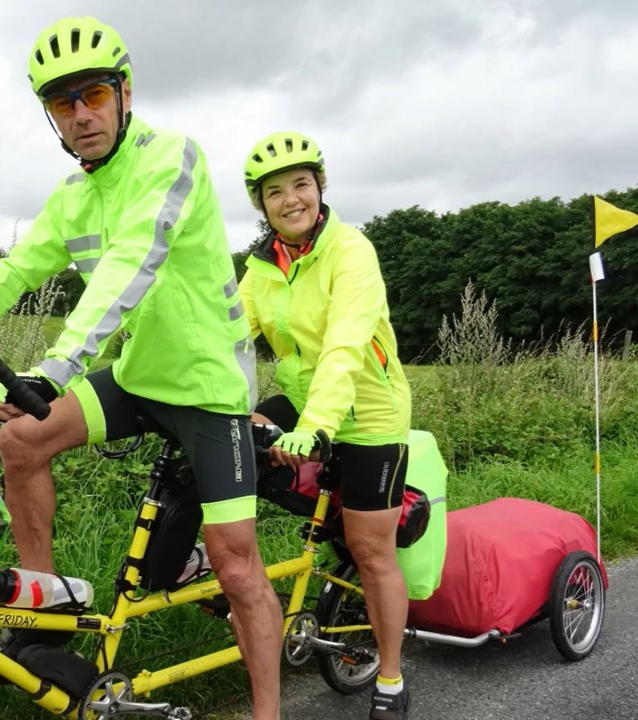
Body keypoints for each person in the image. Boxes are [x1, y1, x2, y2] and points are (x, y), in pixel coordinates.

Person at [0, 17, 283, 719]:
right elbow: (13, 271)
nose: (81, 115)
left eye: (93, 94)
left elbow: (131, 261)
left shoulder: (172, 157)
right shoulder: (73, 195)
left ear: (124, 92)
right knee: (19, 440)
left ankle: (269, 711)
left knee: (235, 563)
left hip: (208, 390)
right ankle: (45, 610)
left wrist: (57, 366)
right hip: (138, 378)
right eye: (62, 103)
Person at [237, 131, 413, 720]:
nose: (290, 199)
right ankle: (204, 565)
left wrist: (316, 427)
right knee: (223, 443)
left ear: (320, 187)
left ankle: (390, 676)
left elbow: (344, 346)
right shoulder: (262, 267)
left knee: (371, 550)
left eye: (301, 185)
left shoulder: (351, 251)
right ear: (262, 205)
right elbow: (227, 337)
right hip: (301, 401)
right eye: (275, 192)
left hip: (368, 413)